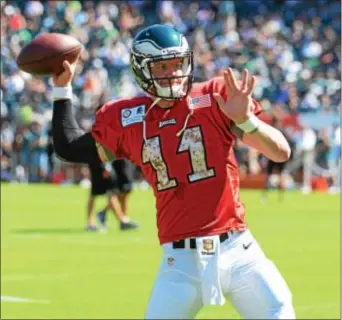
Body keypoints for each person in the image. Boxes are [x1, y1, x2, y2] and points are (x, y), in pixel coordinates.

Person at [51, 24, 294, 319]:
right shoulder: (125, 117)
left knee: (279, 309)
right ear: (142, 69)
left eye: (178, 63)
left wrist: (245, 120)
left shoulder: (216, 97)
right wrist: (62, 89)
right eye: (162, 66)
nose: (173, 72)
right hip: (180, 262)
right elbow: (70, 148)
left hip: (238, 249)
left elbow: (280, 151)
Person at [87, 159, 138, 232]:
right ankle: (91, 223)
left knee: (114, 193)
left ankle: (121, 220)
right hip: (101, 163)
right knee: (101, 193)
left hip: (106, 163)